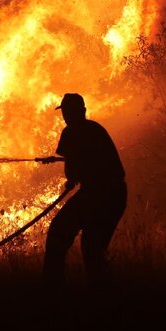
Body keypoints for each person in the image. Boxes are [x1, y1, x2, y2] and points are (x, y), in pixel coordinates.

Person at [42, 93, 127, 287]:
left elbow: (72, 173)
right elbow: (90, 160)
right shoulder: (96, 129)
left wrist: (70, 179)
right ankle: (102, 295)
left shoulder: (71, 132)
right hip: (117, 194)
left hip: (97, 194)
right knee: (93, 249)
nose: (65, 115)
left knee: (58, 232)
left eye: (66, 111)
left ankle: (51, 289)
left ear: (78, 112)